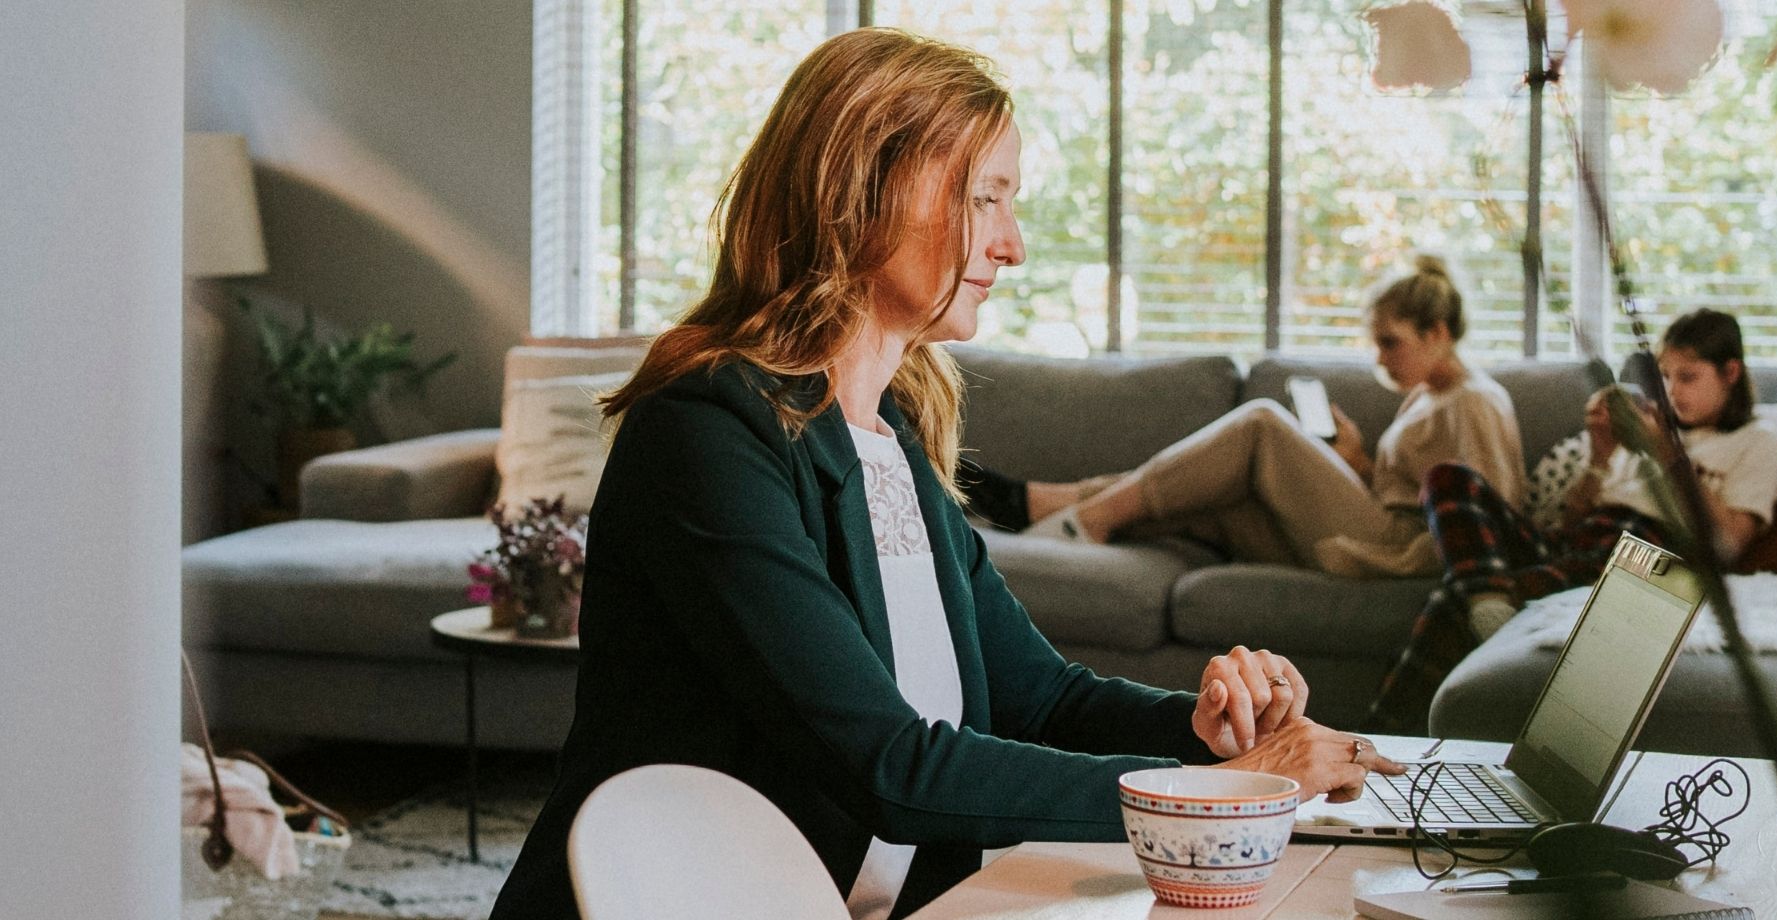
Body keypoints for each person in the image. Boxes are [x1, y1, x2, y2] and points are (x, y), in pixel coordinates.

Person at [485, 29, 1403, 920]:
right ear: (862, 190)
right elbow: (889, 766)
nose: (1012, 245)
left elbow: (1040, 698)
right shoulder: (707, 432)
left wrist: (1204, 729)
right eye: (986, 197)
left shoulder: (889, 435)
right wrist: (1225, 790)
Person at [1360, 308, 1777, 725]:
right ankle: (1488, 597)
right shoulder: (1647, 430)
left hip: (1642, 557)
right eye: (1665, 375)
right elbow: (1569, 526)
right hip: (1581, 543)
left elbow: (1730, 544)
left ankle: (1380, 733)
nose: (1671, 391)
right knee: (1447, 477)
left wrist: (1668, 454)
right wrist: (1600, 455)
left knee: (1451, 600)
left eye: (1688, 377)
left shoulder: (1758, 442)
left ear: (1730, 373)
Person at [1029, 257, 1529, 579]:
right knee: (1219, 501)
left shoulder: (1474, 401)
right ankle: (1052, 514)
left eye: (1390, 342)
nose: (1380, 358)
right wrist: (1357, 463)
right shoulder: (1425, 397)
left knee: (1263, 423)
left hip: (1395, 549)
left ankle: (1081, 515)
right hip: (1377, 527)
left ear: (1437, 332)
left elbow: (1493, 515)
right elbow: (1407, 488)